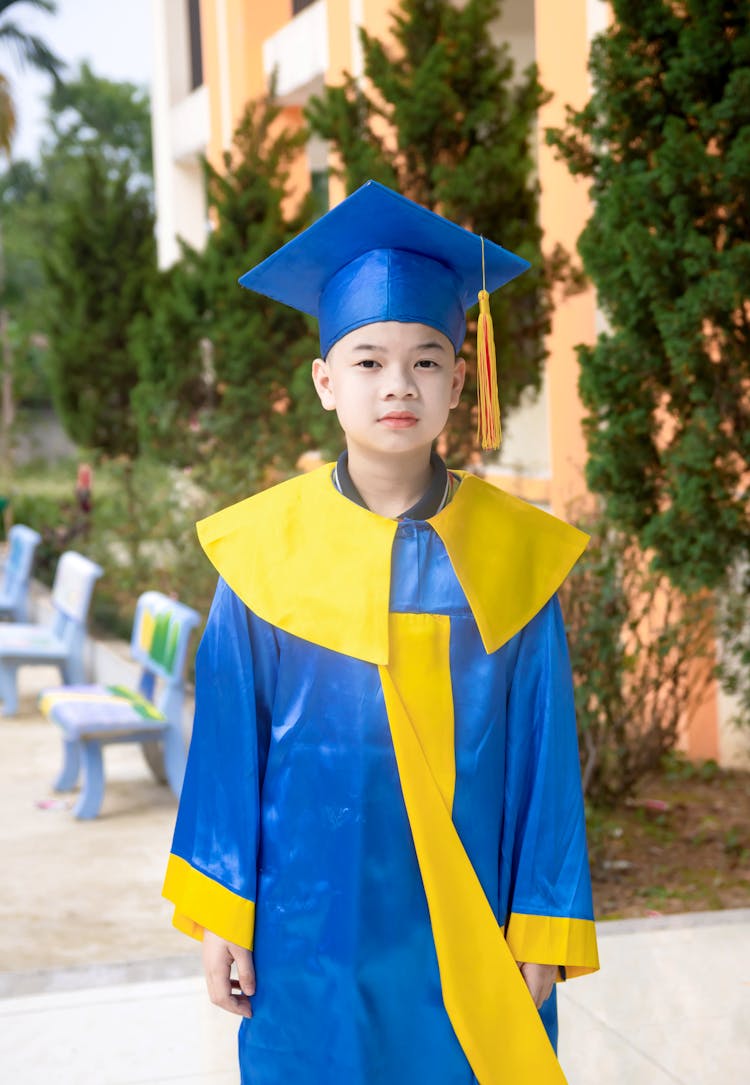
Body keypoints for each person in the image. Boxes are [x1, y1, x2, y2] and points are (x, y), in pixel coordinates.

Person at [162, 181, 599, 1085]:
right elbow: (225, 753)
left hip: (464, 919)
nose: (397, 384)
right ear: (325, 382)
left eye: (426, 361)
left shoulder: (515, 557)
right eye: (366, 362)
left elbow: (546, 764)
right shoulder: (261, 554)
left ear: (458, 382)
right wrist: (221, 914)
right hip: (306, 920)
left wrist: (545, 928)